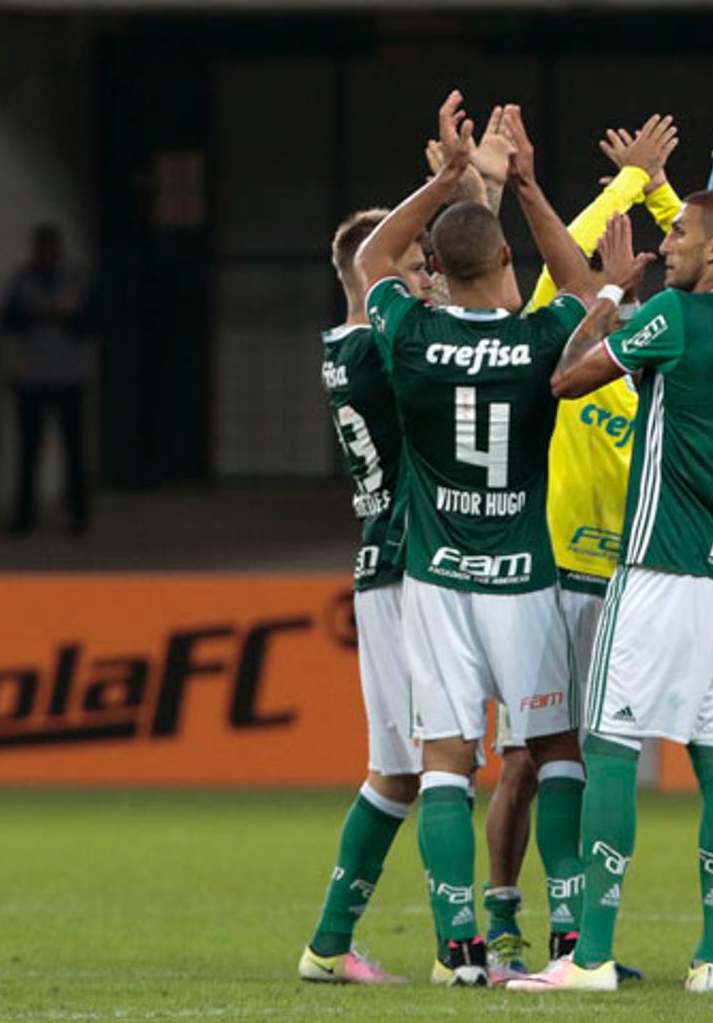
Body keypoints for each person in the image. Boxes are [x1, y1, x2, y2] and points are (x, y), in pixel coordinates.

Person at [518, 171, 713, 991]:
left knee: (610, 741)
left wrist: (613, 293)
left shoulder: (674, 315)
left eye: (679, 234)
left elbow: (568, 378)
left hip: (659, 568)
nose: (667, 245)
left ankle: (592, 955)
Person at [351, 96, 601, 987]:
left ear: (438, 269)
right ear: (503, 259)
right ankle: (571, 935)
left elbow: (373, 257)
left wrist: (449, 177)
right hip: (525, 578)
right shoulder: (540, 341)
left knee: (448, 762)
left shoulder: (408, 333)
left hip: (436, 581)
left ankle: (458, 950)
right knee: (556, 747)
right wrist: (527, 186)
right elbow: (583, 290)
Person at [477, 112, 681, 983]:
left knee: (584, 757)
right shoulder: (562, 359)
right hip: (549, 574)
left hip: (623, 585)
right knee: (526, 758)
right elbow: (567, 274)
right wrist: (619, 188)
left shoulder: (655, 376)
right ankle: (507, 918)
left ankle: (569, 935)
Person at [295, 209, 436, 986]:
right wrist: (464, 185)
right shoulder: (379, 354)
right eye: (415, 265)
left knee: (409, 768)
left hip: (393, 561)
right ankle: (459, 947)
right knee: (412, 767)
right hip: (404, 568)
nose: (426, 278)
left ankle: (330, 943)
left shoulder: (347, 348)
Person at [1, 224, 94, 535]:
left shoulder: (77, 279)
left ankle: (79, 515)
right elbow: (8, 322)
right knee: (29, 450)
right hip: (32, 377)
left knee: (74, 449)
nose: (46, 255)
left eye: (51, 249)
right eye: (41, 249)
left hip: (69, 375)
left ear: (59, 250)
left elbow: (92, 321)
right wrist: (33, 316)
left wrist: (65, 317)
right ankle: (24, 516)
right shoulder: (21, 280)